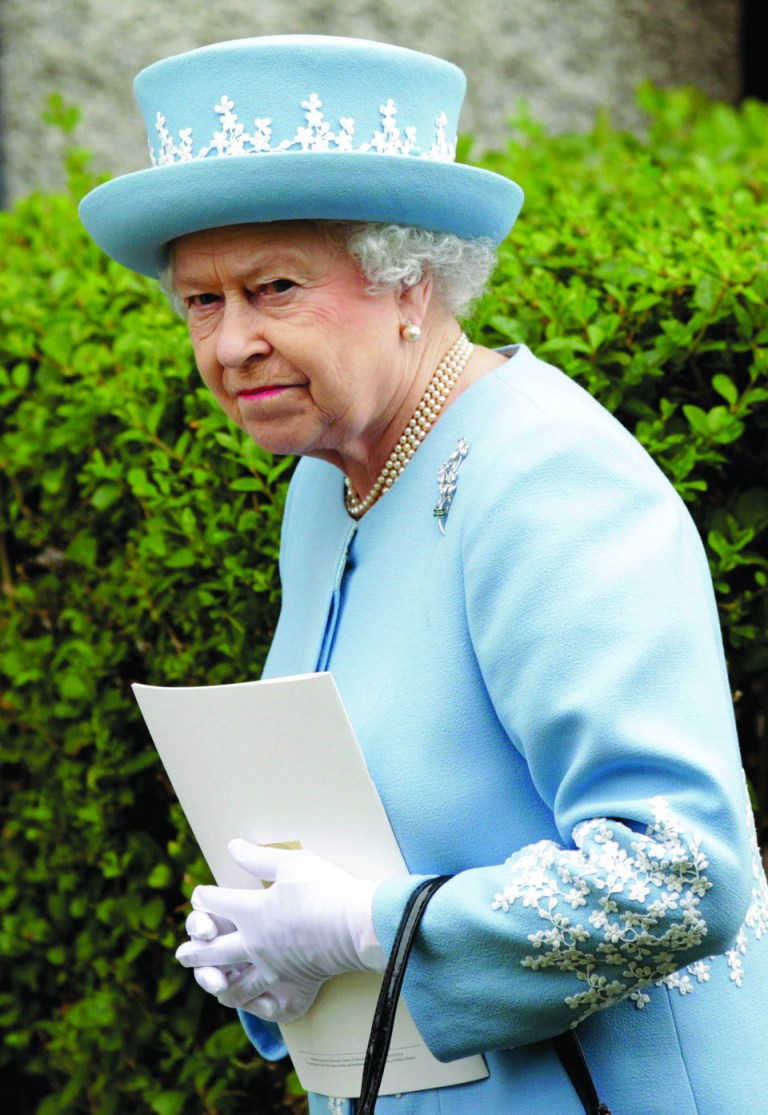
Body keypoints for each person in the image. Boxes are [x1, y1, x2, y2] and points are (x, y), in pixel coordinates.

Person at [79, 34, 768, 1115]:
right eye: (201, 302)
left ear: (410, 277)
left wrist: (363, 928)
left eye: (274, 287)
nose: (230, 344)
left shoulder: (549, 480)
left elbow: (681, 871)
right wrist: (270, 942)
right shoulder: (326, 487)